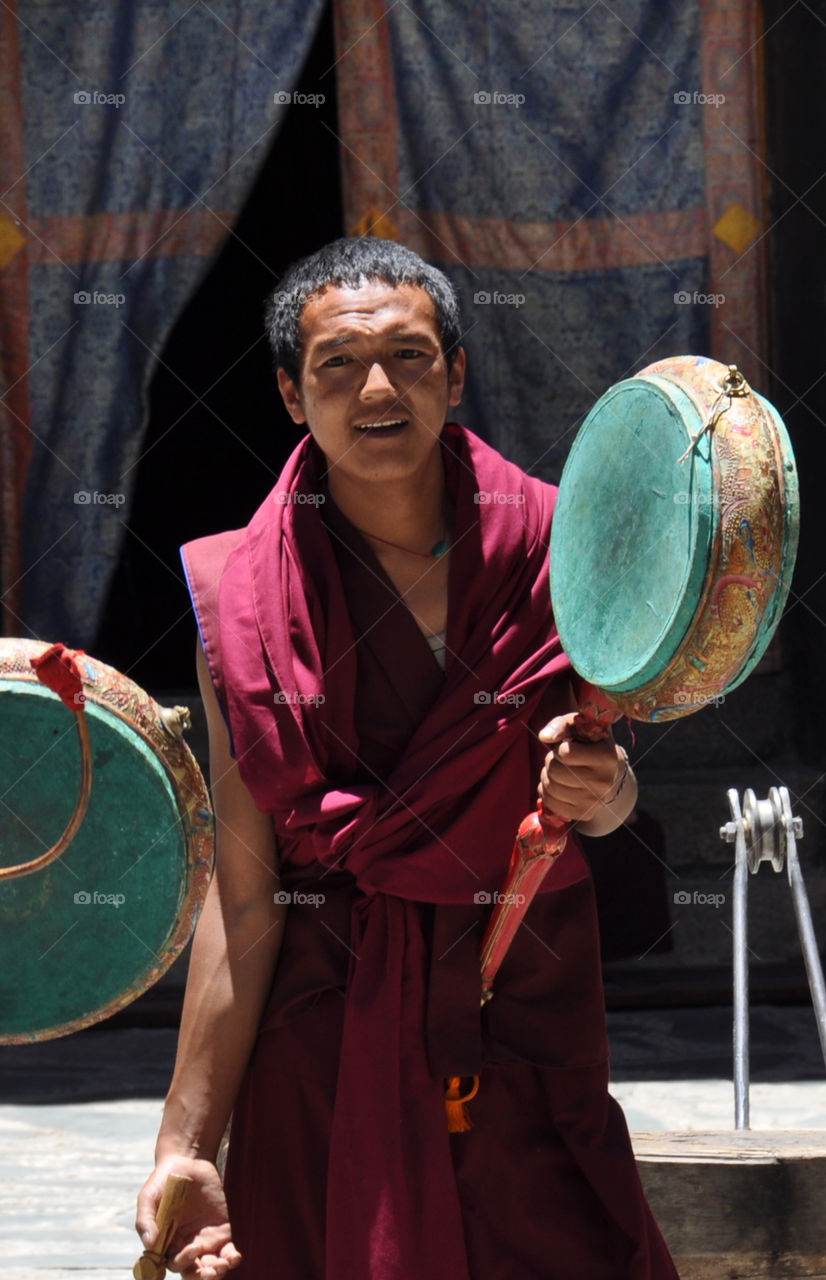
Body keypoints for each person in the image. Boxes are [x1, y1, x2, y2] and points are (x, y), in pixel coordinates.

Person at [136, 237, 679, 1280]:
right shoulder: (243, 594)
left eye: (409, 356)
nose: (375, 388)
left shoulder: (558, 549)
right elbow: (246, 897)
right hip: (324, 1040)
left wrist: (603, 794)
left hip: (515, 1015)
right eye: (336, 363)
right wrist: (184, 1141)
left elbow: (607, 798)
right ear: (292, 394)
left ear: (456, 374)